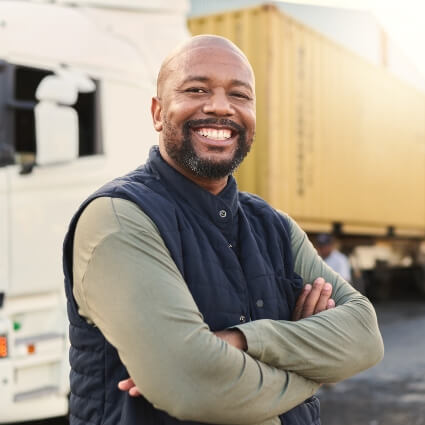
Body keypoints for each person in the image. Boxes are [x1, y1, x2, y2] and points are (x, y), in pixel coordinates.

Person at [63, 35, 384, 425]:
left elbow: (365, 336)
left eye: (240, 95)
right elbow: (189, 381)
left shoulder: (274, 226)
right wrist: (314, 368)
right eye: (196, 89)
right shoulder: (119, 217)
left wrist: (242, 341)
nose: (219, 106)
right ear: (158, 113)